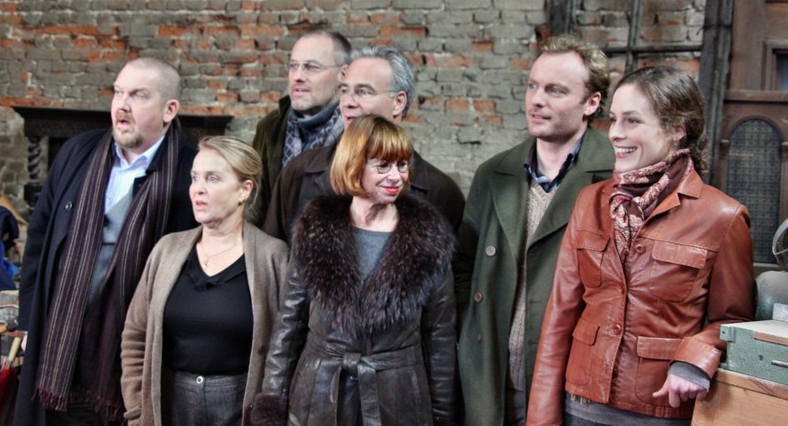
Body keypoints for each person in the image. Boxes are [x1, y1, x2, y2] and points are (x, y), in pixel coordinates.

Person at [526, 66, 755, 425]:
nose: (615, 133)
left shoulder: (722, 216)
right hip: (580, 404)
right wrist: (542, 416)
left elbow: (734, 323)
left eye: (632, 121)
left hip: (660, 409)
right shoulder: (590, 201)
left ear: (677, 128)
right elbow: (559, 317)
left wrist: (695, 358)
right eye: (615, 119)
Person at [15, 58, 198, 426]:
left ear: (169, 110)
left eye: (138, 96)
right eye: (118, 93)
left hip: (130, 355)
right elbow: (39, 239)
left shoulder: (189, 172)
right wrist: (28, 319)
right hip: (58, 341)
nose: (122, 106)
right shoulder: (77, 153)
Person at [253, 115, 458, 426]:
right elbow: (289, 325)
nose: (396, 176)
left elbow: (440, 337)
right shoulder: (317, 230)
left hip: (398, 399)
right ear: (353, 165)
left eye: (402, 165)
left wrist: (443, 417)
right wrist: (272, 402)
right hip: (319, 395)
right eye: (382, 166)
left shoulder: (428, 238)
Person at [454, 35, 615, 425]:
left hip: (570, 386)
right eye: (533, 86)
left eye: (555, 90)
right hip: (492, 379)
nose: (536, 100)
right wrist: (473, 331)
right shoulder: (494, 173)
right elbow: (462, 266)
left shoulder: (615, 176)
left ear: (591, 103)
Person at [121, 136, 289, 426]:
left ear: (244, 190)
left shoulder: (273, 258)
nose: (198, 188)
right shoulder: (166, 251)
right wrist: (138, 410)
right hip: (171, 407)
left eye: (212, 178)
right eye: (195, 177)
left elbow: (287, 349)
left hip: (240, 410)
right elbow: (135, 335)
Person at [262, 45, 464, 243]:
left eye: (363, 92)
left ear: (398, 102)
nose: (347, 102)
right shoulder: (299, 172)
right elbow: (271, 257)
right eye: (344, 91)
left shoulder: (442, 192)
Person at [252, 29, 352, 225]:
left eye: (311, 67)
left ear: (343, 74)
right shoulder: (269, 127)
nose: (297, 76)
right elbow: (255, 203)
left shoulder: (359, 131)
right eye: (293, 66)